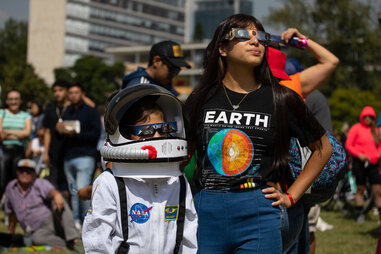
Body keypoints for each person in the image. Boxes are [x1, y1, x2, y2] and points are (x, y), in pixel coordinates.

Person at [185, 14, 332, 253]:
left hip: (258, 211)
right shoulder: (200, 99)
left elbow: (324, 149)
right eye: (244, 35)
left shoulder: (281, 98)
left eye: (261, 37)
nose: (256, 42)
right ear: (222, 48)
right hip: (205, 209)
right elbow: (184, 154)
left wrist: (292, 196)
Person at [82, 84, 198, 253]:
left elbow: (188, 233)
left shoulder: (177, 181)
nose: (157, 137)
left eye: (164, 129)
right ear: (126, 134)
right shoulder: (111, 182)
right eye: (147, 131)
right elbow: (97, 239)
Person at [4, 158, 79, 249]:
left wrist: (56, 195)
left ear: (35, 174)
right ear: (17, 172)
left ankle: (74, 238)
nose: (24, 173)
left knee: (59, 199)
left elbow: (51, 191)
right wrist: (10, 234)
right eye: (21, 170)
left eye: (28, 171)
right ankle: (69, 245)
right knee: (36, 239)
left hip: (53, 222)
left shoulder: (40, 182)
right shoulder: (11, 188)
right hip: (37, 230)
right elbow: (12, 212)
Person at [56, 83, 100, 229]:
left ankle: (90, 221)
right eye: (71, 93)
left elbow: (95, 134)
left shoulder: (91, 112)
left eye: (76, 92)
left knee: (83, 190)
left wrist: (75, 134)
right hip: (69, 156)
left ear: (82, 93)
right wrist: (60, 130)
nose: (73, 95)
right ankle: (76, 222)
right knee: (73, 192)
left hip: (85, 156)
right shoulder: (67, 112)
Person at [345, 106, 381, 224]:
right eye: (365, 116)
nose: (367, 118)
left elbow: (379, 146)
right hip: (359, 163)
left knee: (377, 190)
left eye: (370, 116)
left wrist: (376, 157)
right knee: (360, 188)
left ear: (373, 118)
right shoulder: (356, 128)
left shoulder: (376, 130)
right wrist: (359, 154)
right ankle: (360, 213)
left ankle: (380, 215)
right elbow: (349, 145)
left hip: (373, 163)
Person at [122, 40, 191, 95]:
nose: (174, 74)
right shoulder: (140, 87)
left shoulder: (165, 84)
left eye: (177, 70)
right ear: (156, 61)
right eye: (172, 69)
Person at [0, 89, 32, 198]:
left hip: (19, 151)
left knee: (17, 182)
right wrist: (19, 133)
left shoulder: (26, 115)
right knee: (2, 181)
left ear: (20, 101)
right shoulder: (2, 113)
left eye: (16, 99)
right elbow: (0, 134)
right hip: (3, 150)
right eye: (11, 99)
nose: (13, 102)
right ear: (7, 101)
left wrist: (7, 131)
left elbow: (27, 133)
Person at [42, 80, 71, 191]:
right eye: (55, 91)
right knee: (54, 182)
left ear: (67, 91)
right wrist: (45, 153)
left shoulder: (73, 107)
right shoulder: (51, 107)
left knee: (68, 184)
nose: (57, 93)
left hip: (69, 151)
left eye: (60, 90)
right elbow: (47, 131)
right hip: (53, 152)